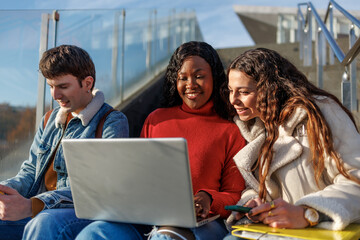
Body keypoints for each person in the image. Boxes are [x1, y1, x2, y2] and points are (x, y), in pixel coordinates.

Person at [76, 41, 246, 240]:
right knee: (94, 233)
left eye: (199, 76)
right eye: (183, 78)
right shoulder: (156, 119)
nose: (190, 84)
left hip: (203, 223)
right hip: (148, 217)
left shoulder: (230, 130)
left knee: (164, 238)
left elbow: (235, 194)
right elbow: (139, 175)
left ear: (215, 79)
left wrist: (208, 198)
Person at [223, 48, 360, 235]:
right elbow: (255, 188)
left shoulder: (319, 112)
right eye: (231, 91)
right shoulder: (255, 129)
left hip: (321, 232)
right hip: (276, 232)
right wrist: (254, 201)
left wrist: (308, 212)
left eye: (244, 92)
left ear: (269, 89)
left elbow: (355, 179)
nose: (233, 100)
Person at [0, 44, 129, 240]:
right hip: (39, 210)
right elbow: (30, 172)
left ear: (87, 83)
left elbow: (101, 189)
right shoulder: (49, 119)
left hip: (82, 214)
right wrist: (4, 189)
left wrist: (32, 206)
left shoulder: (112, 122)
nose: (55, 95)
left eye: (63, 86)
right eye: (51, 86)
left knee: (45, 222)